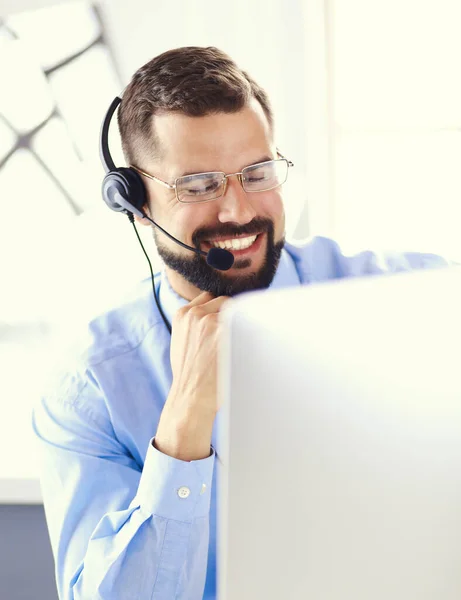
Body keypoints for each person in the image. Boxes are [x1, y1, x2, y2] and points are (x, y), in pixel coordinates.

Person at [32, 46, 451, 600]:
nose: (238, 211)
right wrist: (183, 428)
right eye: (200, 185)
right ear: (135, 201)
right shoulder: (88, 388)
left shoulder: (409, 299)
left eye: (257, 173)